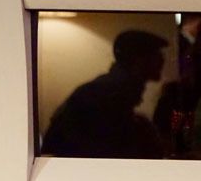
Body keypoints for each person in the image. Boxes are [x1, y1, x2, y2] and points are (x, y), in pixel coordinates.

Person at [42, 29, 166, 159]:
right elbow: (109, 149)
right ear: (138, 59)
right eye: (156, 54)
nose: (162, 59)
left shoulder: (108, 89)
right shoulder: (106, 93)